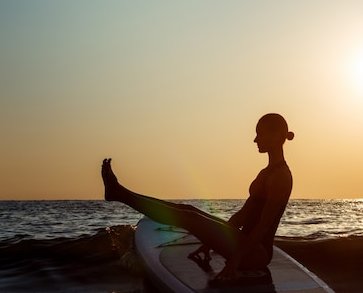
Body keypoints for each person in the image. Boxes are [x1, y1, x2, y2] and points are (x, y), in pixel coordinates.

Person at [101, 113, 294, 281]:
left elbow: (264, 225)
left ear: (276, 135)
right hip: (244, 244)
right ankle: (119, 193)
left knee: (190, 218)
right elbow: (243, 216)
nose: (255, 139)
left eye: (259, 133)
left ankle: (120, 193)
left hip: (256, 255)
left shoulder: (280, 177)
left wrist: (235, 259)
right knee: (189, 210)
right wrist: (210, 242)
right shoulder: (266, 172)